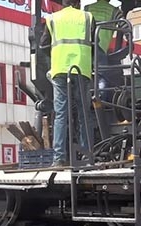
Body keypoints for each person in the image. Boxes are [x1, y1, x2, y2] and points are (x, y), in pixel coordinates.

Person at [40, 0, 96, 167]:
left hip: (60, 69)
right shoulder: (87, 17)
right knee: (83, 112)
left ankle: (59, 159)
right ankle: (86, 157)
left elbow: (43, 45)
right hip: (81, 68)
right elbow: (94, 44)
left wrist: (55, 58)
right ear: (78, 2)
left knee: (61, 113)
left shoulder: (53, 18)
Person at [85, 0, 125, 101]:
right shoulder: (115, 11)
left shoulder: (87, 8)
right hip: (100, 49)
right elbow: (125, 26)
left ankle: (86, 99)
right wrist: (130, 40)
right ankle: (100, 101)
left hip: (85, 47)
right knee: (102, 76)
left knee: (85, 76)